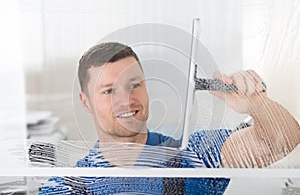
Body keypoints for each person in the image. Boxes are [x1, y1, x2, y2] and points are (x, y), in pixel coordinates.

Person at [38, 42, 300, 194]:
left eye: (134, 85)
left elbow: (283, 139)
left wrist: (255, 103)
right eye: (108, 91)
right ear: (86, 103)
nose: (126, 100)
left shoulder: (194, 156)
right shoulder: (68, 186)